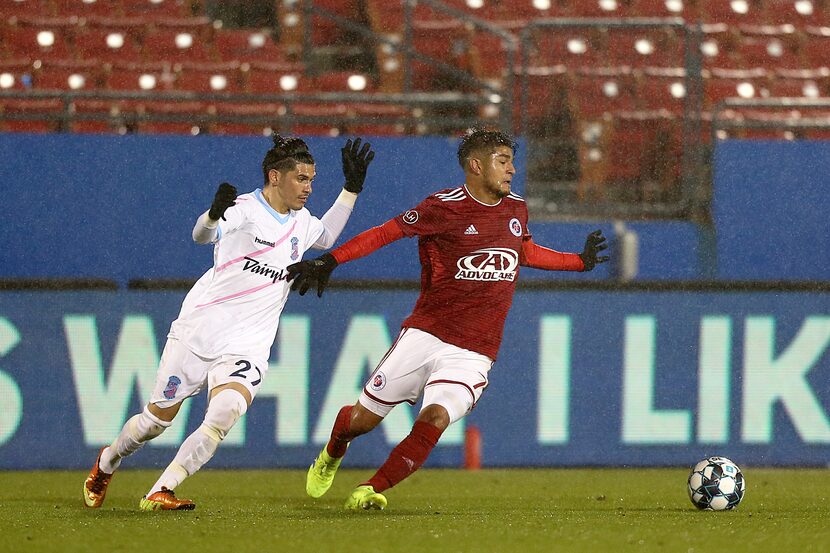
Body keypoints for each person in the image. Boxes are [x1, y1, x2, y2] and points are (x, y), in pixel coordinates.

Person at [286, 127, 609, 511]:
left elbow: (524, 250)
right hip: (426, 333)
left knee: (436, 417)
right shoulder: (443, 206)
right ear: (476, 165)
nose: (511, 169)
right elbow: (385, 233)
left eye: (512, 161)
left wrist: (579, 262)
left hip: (475, 350)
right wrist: (330, 259)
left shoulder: (515, 209)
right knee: (361, 420)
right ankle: (333, 451)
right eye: (502, 161)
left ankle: (371, 488)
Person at [82, 133, 375, 511]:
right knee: (155, 423)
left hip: (249, 343)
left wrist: (351, 189)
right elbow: (201, 235)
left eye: (313, 180)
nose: (308, 188)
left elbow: (328, 235)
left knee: (224, 414)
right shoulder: (243, 210)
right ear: (274, 176)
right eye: (302, 179)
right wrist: (213, 213)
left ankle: (162, 489)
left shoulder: (302, 222)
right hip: (200, 331)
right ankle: (108, 462)